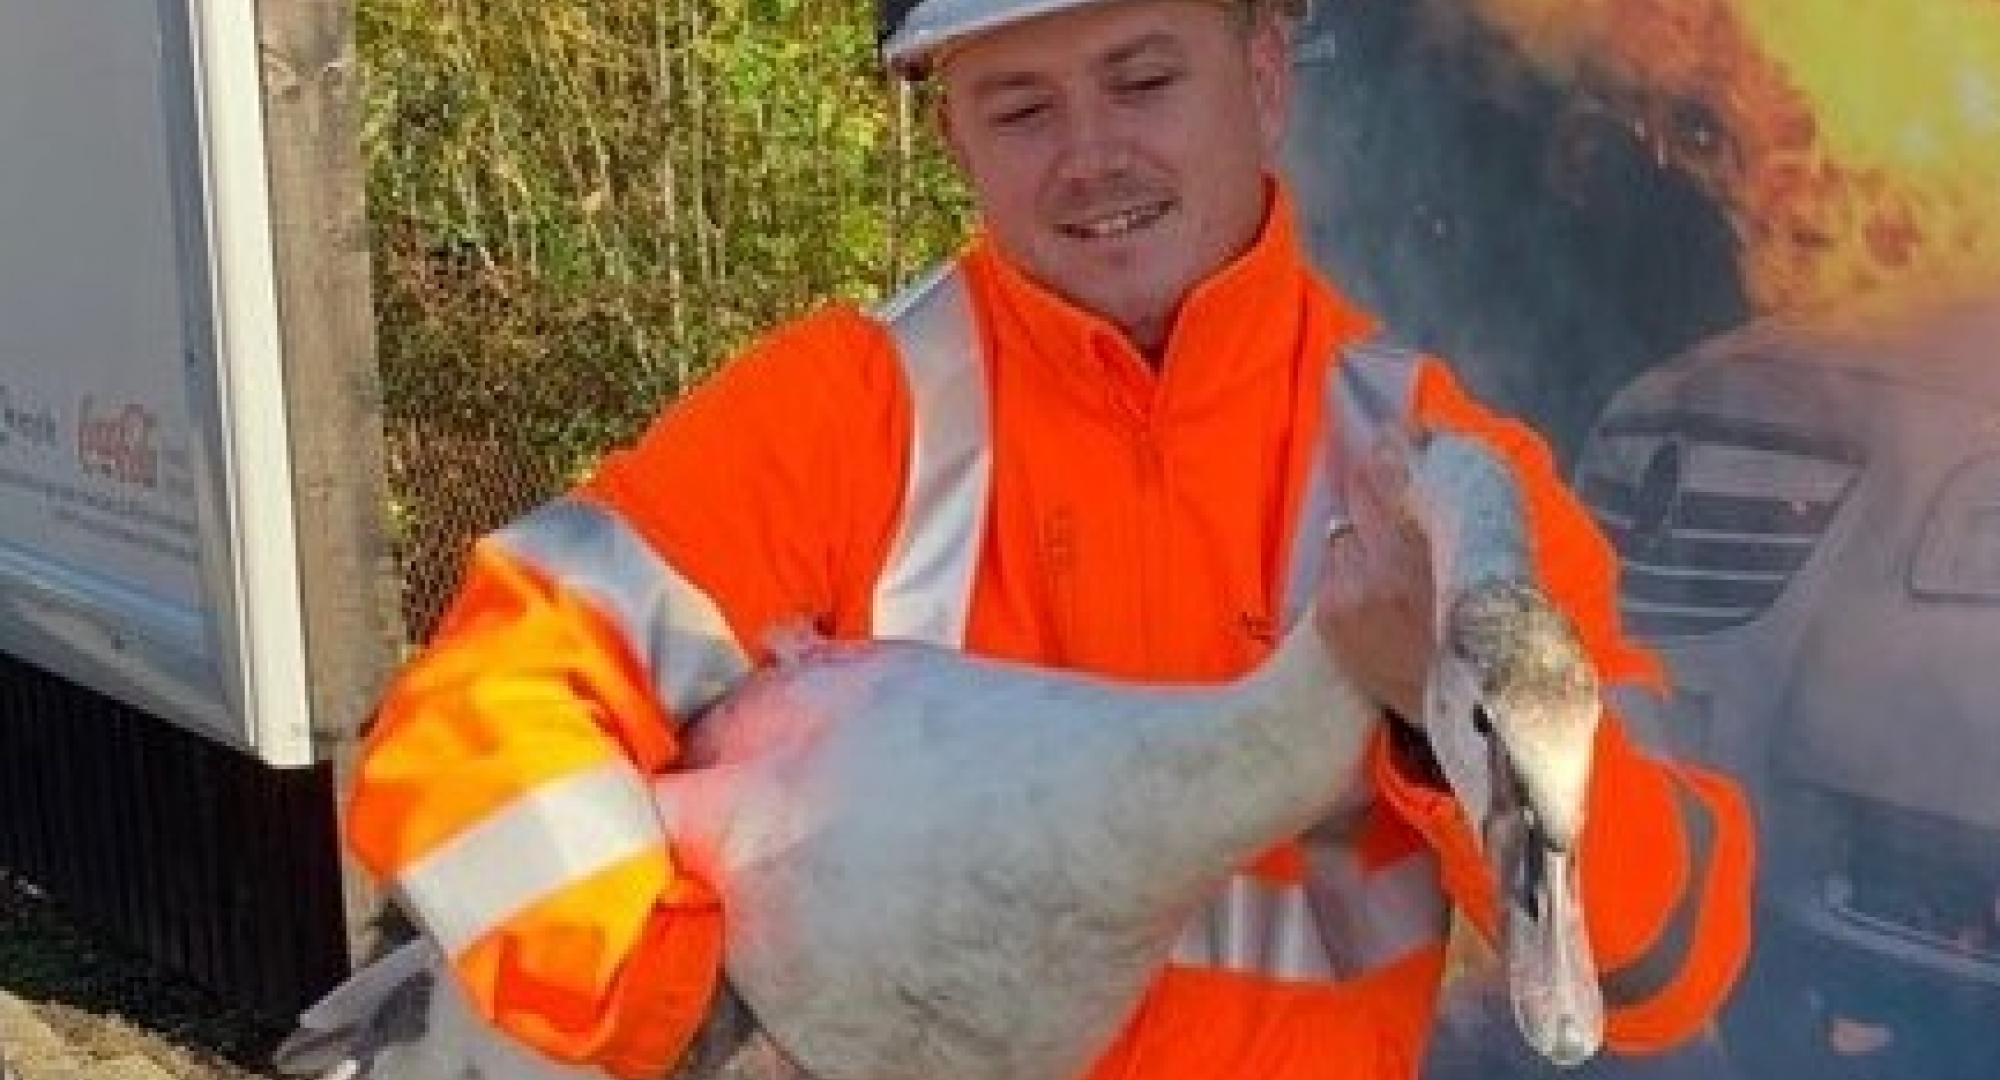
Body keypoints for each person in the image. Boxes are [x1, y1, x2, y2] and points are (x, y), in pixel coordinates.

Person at [341, 1, 1755, 1077]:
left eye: (1144, 79)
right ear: (950, 129)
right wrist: (683, 1004)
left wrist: (1423, 722)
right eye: (1019, 107)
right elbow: (479, 718)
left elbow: (1660, 964)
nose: (1091, 158)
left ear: (1263, 77)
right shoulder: (842, 419)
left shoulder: (1441, 471)